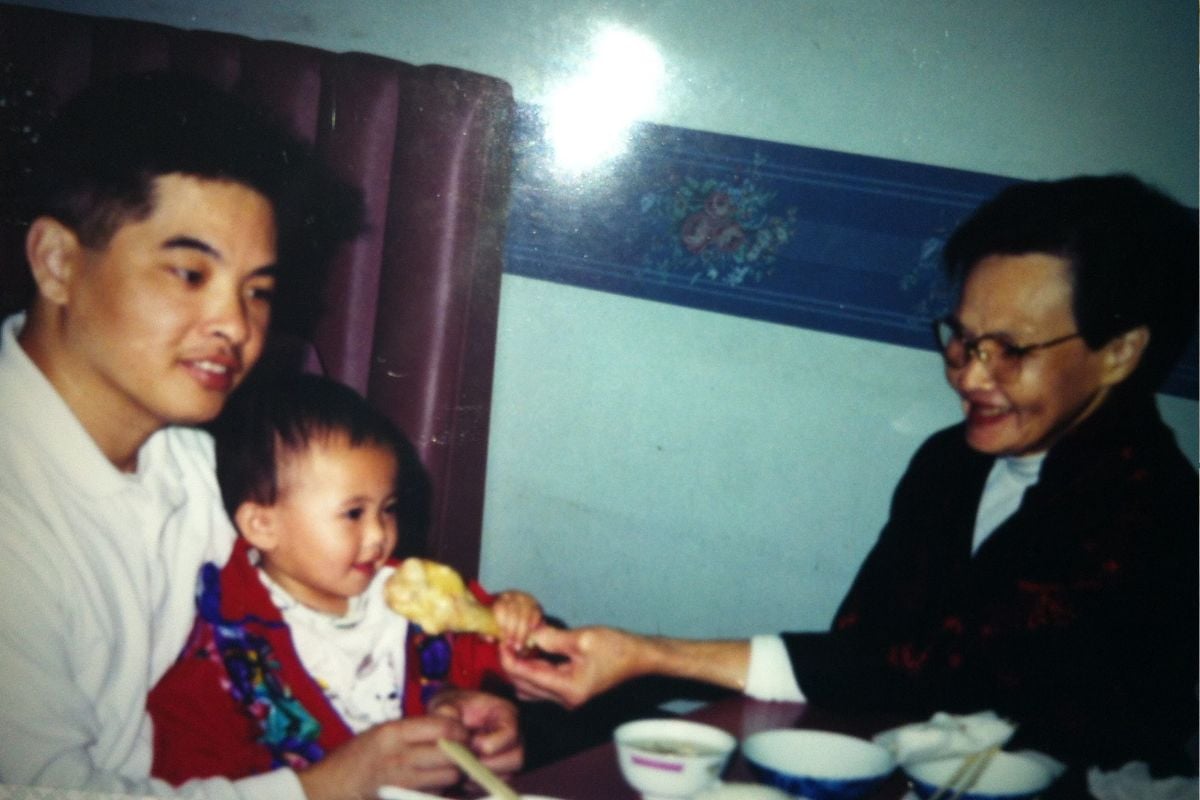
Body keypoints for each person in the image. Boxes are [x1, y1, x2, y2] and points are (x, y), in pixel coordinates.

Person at [503, 175, 1199, 781]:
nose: (968, 372)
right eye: (960, 337)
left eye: (1010, 350)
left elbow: (939, 669)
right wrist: (635, 660)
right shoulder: (949, 462)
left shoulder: (1153, 511)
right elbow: (862, 644)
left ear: (1119, 353)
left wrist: (650, 655)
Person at [0, 70, 497, 800]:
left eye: (257, 290)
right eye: (189, 272)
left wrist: (451, 701)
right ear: (58, 262)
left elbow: (305, 620)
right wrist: (326, 787)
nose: (236, 326)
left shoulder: (190, 462)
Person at [149, 373, 540, 786]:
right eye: (353, 513)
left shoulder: (405, 592)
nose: (378, 535)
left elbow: (481, 645)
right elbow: (192, 777)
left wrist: (510, 618)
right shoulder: (223, 657)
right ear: (263, 525)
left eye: (387, 509)